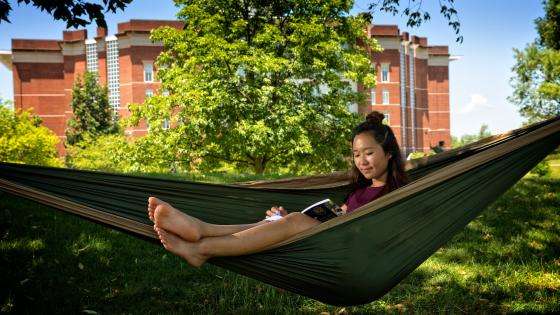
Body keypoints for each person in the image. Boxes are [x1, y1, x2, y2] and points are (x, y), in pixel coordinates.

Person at [147, 111, 409, 267]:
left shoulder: (396, 194)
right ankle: (201, 230)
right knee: (276, 219)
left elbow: (379, 233)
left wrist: (298, 221)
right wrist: (285, 220)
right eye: (355, 154)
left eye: (369, 153)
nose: (361, 161)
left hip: (352, 253)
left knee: (293, 220)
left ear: (388, 154)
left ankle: (201, 249)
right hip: (332, 237)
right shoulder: (357, 191)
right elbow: (340, 215)